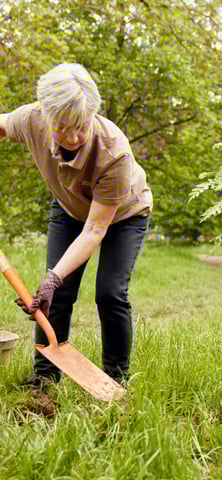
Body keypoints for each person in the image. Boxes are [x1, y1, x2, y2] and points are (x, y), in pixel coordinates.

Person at [0, 63, 153, 388]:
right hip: (70, 209)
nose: (71, 137)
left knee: (109, 293)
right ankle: (44, 378)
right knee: (56, 295)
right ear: (46, 114)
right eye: (61, 128)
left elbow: (95, 230)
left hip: (124, 217)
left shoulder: (114, 152)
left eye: (80, 127)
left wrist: (54, 277)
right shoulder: (32, 119)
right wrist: (54, 283)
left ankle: (115, 379)